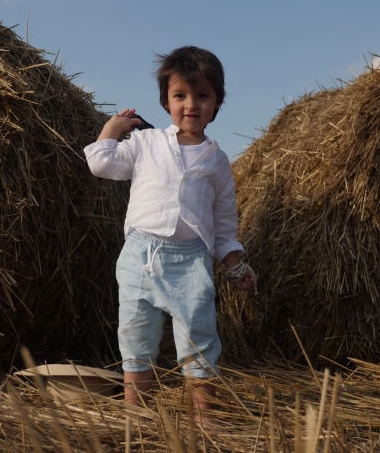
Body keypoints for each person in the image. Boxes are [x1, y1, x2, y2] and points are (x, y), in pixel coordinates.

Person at [84, 46, 257, 418]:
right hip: (139, 258)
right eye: (180, 95)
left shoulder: (217, 160)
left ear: (217, 103)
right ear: (166, 102)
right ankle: (137, 418)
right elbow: (101, 164)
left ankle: (204, 420)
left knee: (199, 341)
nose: (190, 104)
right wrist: (112, 129)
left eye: (202, 95)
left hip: (191, 261)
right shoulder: (146, 143)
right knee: (135, 338)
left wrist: (235, 264)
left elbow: (224, 220)